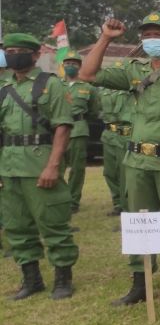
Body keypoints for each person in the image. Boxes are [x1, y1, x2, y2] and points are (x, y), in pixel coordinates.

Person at [82, 13, 160, 308]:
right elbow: (87, 74)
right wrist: (106, 38)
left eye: (158, 34)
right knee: (138, 222)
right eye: (147, 34)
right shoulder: (133, 70)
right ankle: (140, 282)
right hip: (136, 161)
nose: (152, 40)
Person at [0, 32, 78, 299]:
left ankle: (63, 279)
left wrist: (53, 166)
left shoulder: (50, 84)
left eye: (20, 50)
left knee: (53, 224)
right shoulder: (3, 88)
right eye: (8, 50)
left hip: (39, 164)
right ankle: (31, 280)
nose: (13, 54)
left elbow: (62, 127)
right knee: (16, 226)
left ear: (35, 55)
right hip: (9, 168)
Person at [60, 51, 95, 214]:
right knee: (57, 167)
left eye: (74, 64)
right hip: (58, 130)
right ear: (63, 66)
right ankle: (58, 199)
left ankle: (73, 201)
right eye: (67, 63)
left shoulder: (87, 87)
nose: (70, 66)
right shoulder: (56, 85)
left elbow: (94, 110)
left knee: (77, 168)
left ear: (80, 66)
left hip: (78, 130)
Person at [96, 83, 133, 216]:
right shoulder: (103, 92)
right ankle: (117, 203)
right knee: (109, 172)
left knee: (124, 174)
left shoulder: (129, 90)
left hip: (125, 135)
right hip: (108, 136)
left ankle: (127, 206)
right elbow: (97, 109)